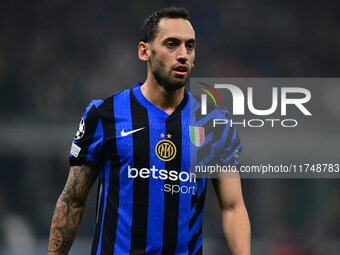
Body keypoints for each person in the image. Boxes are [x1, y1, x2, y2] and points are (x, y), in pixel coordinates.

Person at [47, 7, 251, 255]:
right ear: (145, 51)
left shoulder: (215, 124)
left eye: (190, 46)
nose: (183, 55)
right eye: (172, 44)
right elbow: (73, 200)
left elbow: (233, 207)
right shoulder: (104, 114)